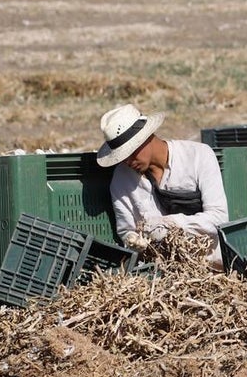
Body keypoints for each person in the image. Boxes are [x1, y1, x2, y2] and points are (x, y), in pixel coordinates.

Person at [96, 103, 229, 267]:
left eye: (131, 152)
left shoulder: (198, 156)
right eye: (122, 156)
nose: (128, 161)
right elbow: (126, 230)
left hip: (209, 264)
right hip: (157, 269)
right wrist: (133, 240)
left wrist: (170, 224)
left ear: (146, 137)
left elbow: (219, 218)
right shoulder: (122, 179)